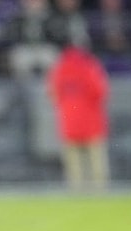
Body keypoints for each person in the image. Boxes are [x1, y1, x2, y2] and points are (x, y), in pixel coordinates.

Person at [46, 44, 110, 190]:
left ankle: (76, 190)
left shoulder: (59, 70)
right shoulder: (90, 67)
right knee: (96, 159)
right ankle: (100, 190)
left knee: (73, 162)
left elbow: (53, 95)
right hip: (91, 120)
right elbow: (100, 92)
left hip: (69, 121)